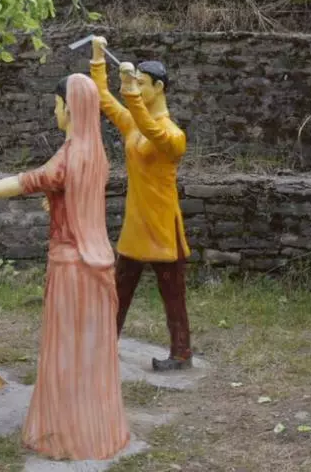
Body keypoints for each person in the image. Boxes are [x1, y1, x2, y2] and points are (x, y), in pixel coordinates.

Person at [0, 74, 130, 461]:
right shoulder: (97, 154)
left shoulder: (69, 154)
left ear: (70, 108)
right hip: (99, 265)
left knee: (66, 353)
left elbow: (26, 181)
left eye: (57, 105)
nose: (53, 111)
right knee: (90, 355)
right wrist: (59, 202)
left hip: (71, 266)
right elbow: (73, 193)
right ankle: (96, 431)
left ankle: (68, 436)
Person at [89, 37, 192, 372]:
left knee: (172, 294)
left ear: (158, 88)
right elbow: (104, 99)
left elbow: (152, 131)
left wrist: (129, 92)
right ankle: (105, 344)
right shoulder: (134, 121)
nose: (135, 89)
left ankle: (181, 353)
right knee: (120, 287)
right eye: (136, 84)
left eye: (142, 84)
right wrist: (98, 59)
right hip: (137, 224)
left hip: (163, 225)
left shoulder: (173, 135)